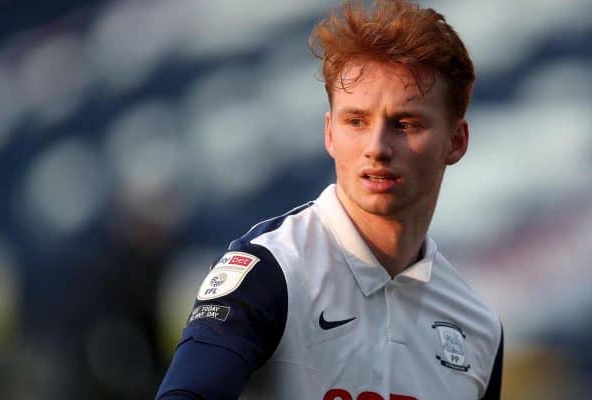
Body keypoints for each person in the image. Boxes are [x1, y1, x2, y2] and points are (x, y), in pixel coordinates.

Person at [156, 0, 503, 399]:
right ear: (329, 134)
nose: (376, 147)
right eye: (356, 121)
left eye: (405, 124)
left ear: (455, 141)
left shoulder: (479, 327)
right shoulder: (272, 271)